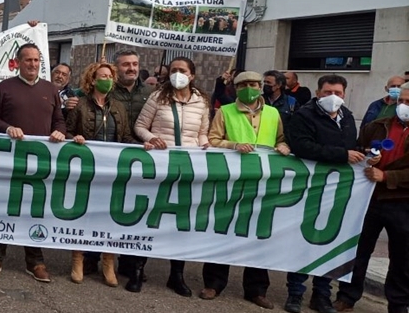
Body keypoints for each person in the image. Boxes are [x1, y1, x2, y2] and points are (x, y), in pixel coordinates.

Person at [203, 71, 291, 309]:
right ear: (236, 88)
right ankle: (214, 283)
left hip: (263, 184)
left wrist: (283, 145)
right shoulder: (226, 111)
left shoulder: (273, 113)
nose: (249, 88)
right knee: (222, 231)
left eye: (253, 84)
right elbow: (212, 140)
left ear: (261, 87)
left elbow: (281, 138)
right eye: (243, 85)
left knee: (259, 236)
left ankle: (256, 289)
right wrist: (233, 145)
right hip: (231, 182)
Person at [0, 43, 67, 282]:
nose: (32, 64)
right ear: (17, 62)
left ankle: (35, 262)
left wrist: (59, 132)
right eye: (27, 60)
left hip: (39, 163)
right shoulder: (5, 87)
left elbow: (59, 120)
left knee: (34, 211)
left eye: (36, 60)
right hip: (10, 160)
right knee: (6, 209)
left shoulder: (50, 90)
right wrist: (7, 128)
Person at [286, 74, 366, 313]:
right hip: (312, 187)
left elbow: (351, 146)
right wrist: (342, 155)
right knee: (305, 241)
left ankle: (321, 295)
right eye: (327, 92)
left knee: (333, 240)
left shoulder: (348, 117)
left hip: (339, 189)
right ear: (318, 93)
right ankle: (296, 293)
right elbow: (302, 146)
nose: (333, 97)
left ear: (344, 94)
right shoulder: (303, 115)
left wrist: (364, 154)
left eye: (338, 93)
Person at [133, 57, 211, 297]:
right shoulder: (157, 97)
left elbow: (202, 133)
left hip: (188, 168)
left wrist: (205, 146)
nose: (178, 74)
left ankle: (176, 274)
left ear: (192, 75)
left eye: (182, 70)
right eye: (174, 70)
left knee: (180, 222)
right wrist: (150, 139)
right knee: (149, 217)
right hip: (159, 165)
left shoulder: (201, 101)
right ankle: (137, 270)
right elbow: (140, 126)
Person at [339, 81, 409, 313]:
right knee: (357, 250)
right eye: (402, 101)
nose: (404, 106)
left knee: (402, 258)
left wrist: (387, 176)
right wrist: (368, 156)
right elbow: (359, 149)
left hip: (402, 203)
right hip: (369, 198)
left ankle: (398, 305)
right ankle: (347, 296)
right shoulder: (378, 125)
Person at [67, 61, 134, 288]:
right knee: (82, 213)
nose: (107, 79)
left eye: (110, 76)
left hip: (112, 171)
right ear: (93, 80)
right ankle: (78, 259)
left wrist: (145, 146)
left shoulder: (119, 108)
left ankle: (108, 262)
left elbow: (125, 138)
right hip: (86, 170)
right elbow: (67, 131)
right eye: (102, 75)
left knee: (109, 216)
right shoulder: (80, 106)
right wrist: (74, 139)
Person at [110, 49, 154, 128]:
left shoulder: (151, 92)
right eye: (126, 64)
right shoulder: (107, 91)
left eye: (135, 64)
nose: (131, 68)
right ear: (115, 67)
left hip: (142, 139)